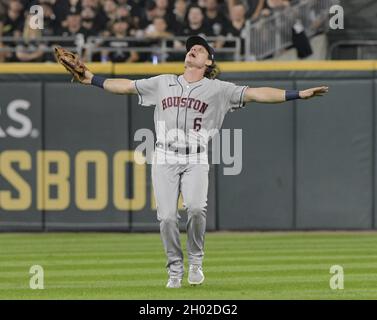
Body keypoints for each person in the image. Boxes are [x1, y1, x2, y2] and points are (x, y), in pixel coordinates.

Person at [66, 35, 328, 288]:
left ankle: (196, 261)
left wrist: (297, 94)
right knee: (167, 218)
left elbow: (258, 93)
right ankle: (175, 270)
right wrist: (91, 79)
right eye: (191, 48)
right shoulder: (163, 82)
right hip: (164, 155)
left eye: (200, 49)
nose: (193, 50)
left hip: (196, 156)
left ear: (209, 63)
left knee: (195, 209)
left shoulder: (219, 90)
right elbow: (125, 86)